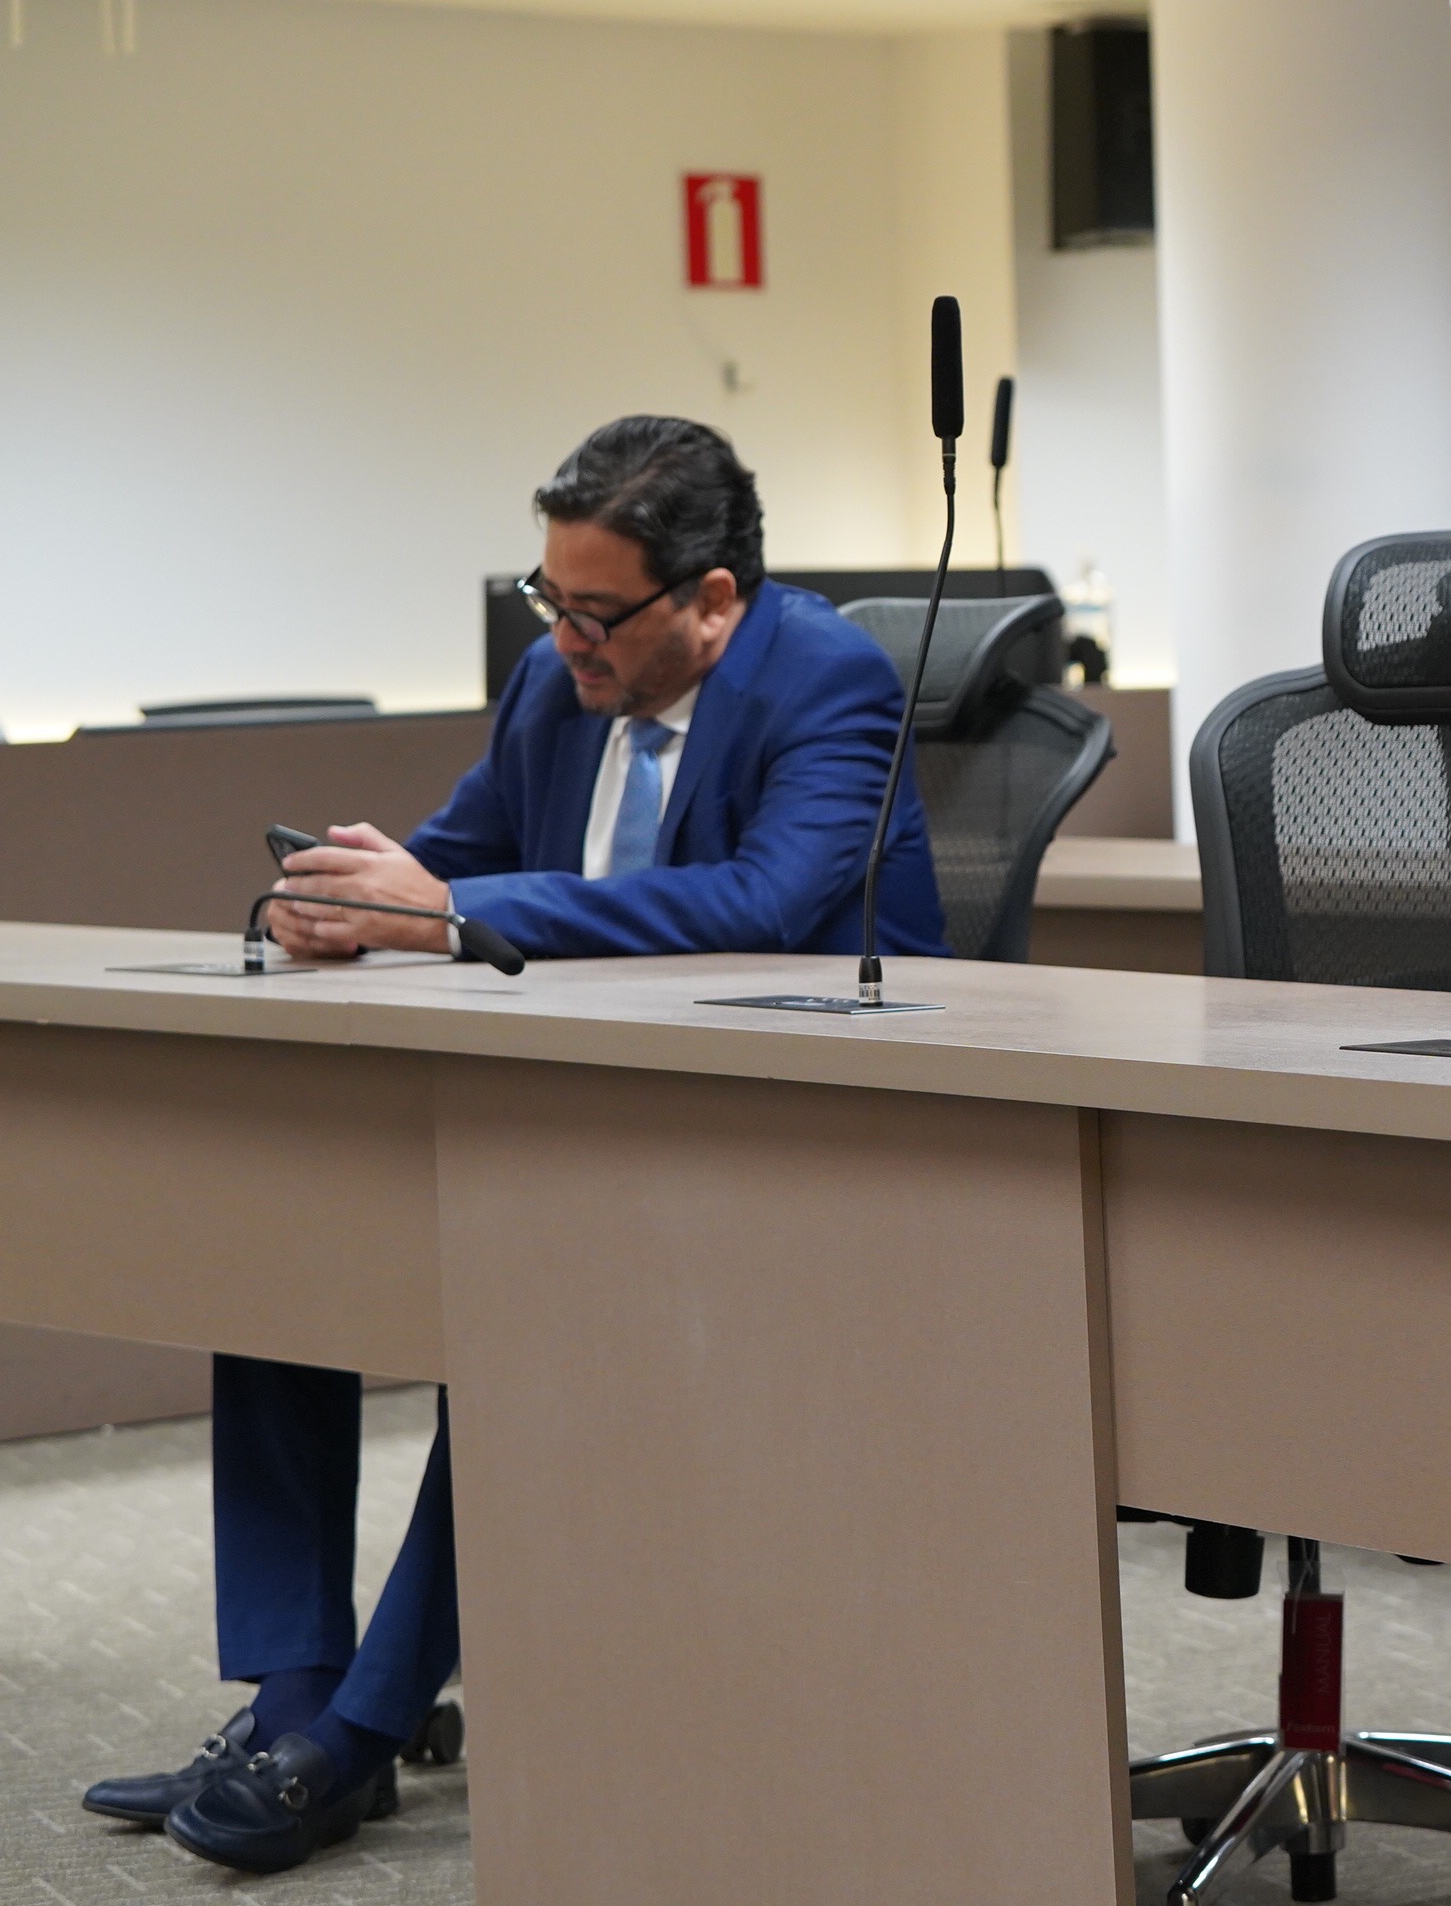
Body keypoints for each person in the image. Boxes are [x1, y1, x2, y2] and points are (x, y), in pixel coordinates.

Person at [81, 416, 946, 1875]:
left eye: (597, 613)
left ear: (713, 601)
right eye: (550, 599)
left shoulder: (829, 677)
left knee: (525, 1306)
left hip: (818, 1138)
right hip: (583, 1111)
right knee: (276, 1262)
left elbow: (764, 899)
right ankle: (291, 1699)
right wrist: (350, 899)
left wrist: (452, 913)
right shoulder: (558, 685)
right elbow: (457, 861)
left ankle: (361, 1730)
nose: (563, 640)